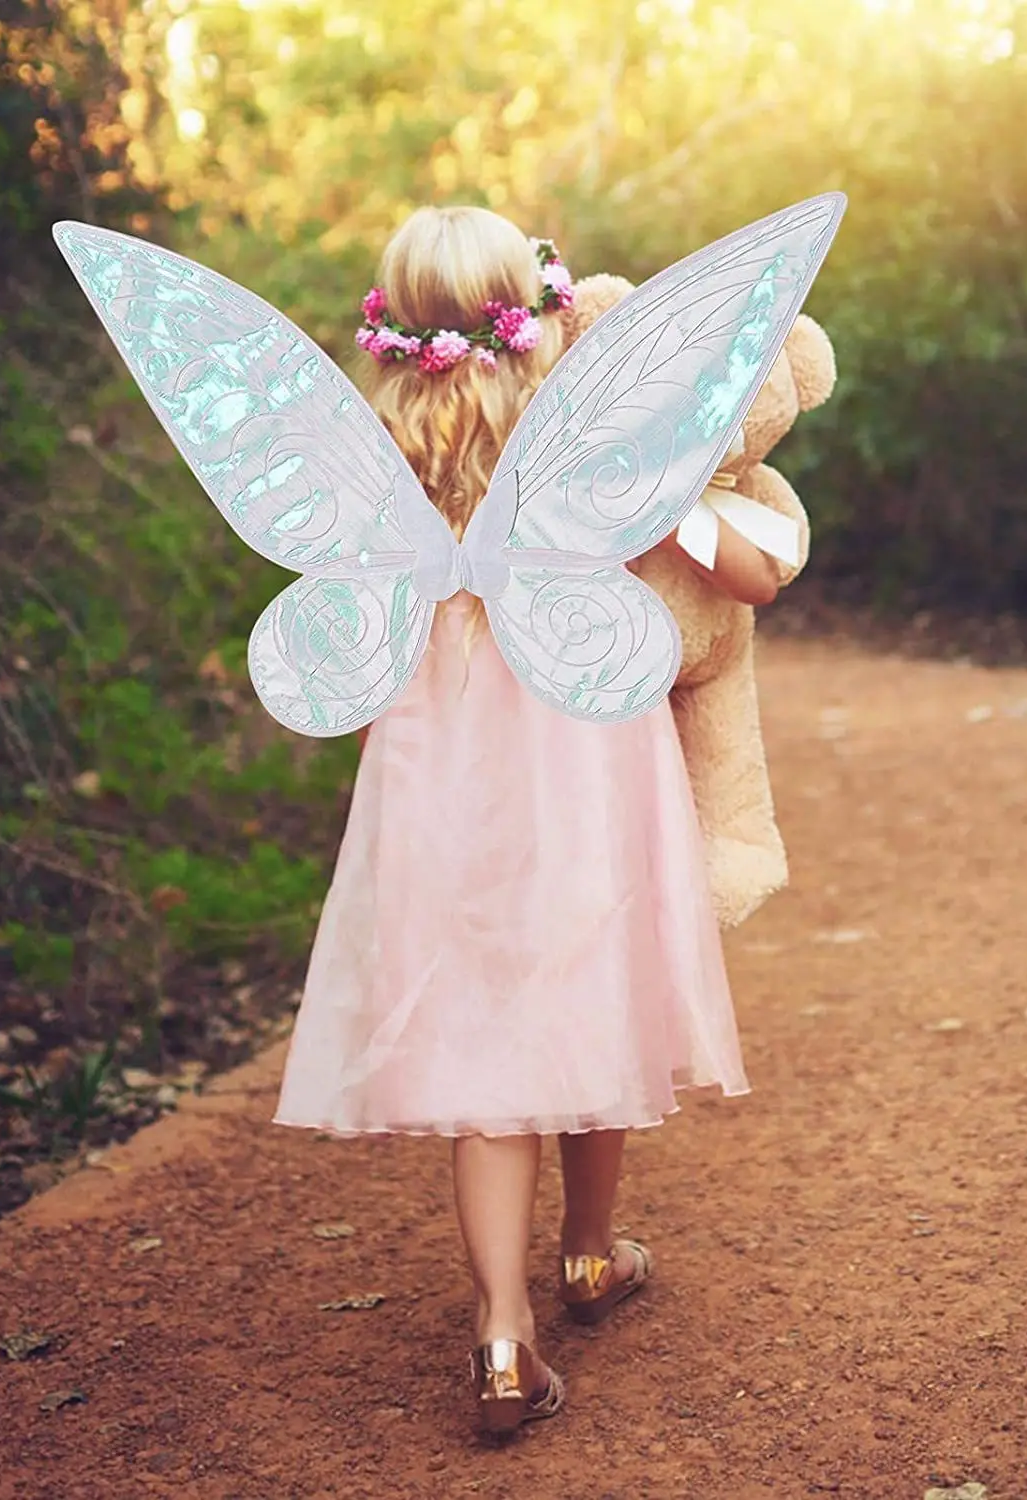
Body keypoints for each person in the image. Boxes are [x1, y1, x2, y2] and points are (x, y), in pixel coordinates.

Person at [272, 205, 782, 1435]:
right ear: (539, 310)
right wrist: (679, 503)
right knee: (589, 977)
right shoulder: (594, 451)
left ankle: (503, 1339)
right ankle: (592, 1252)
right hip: (581, 747)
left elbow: (343, 668)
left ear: (391, 328)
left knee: (480, 1035)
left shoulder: (368, 466)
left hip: (436, 766)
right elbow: (752, 574)